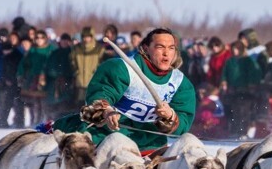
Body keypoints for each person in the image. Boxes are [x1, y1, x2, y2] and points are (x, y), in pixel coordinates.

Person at [53, 27, 196, 151]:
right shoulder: (123, 68)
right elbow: (101, 94)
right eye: (160, 47)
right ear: (146, 48)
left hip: (150, 146)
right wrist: (107, 110)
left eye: (171, 48)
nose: (166, 53)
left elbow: (184, 120)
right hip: (103, 138)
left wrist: (171, 116)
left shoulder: (180, 84)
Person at [221, 40, 262, 137]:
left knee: (244, 112)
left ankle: (243, 132)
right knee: (234, 111)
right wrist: (224, 82)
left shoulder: (248, 60)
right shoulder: (230, 61)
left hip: (245, 90)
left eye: (237, 49)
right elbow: (224, 73)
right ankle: (235, 131)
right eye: (233, 49)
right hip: (233, 90)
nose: (235, 51)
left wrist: (252, 85)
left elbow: (254, 73)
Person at [18, 30, 55, 125]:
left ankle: (46, 122)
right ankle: (35, 121)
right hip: (33, 79)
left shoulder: (51, 49)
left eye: (41, 37)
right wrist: (21, 75)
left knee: (45, 102)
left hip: (47, 79)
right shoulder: (32, 50)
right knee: (34, 102)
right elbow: (24, 64)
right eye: (37, 37)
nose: (39, 39)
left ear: (46, 38)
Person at [43, 33, 76, 120]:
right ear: (60, 41)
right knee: (52, 105)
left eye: (67, 40)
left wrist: (68, 75)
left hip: (68, 83)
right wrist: (57, 74)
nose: (65, 42)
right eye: (63, 40)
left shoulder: (73, 53)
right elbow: (49, 67)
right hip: (54, 83)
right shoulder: (54, 53)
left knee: (66, 105)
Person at [71, 26, 105, 109]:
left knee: (92, 106)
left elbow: (102, 64)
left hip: (93, 82)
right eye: (84, 37)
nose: (86, 39)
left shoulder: (99, 48)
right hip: (80, 83)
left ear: (92, 37)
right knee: (79, 107)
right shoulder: (76, 48)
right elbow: (72, 62)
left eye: (88, 37)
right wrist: (76, 72)